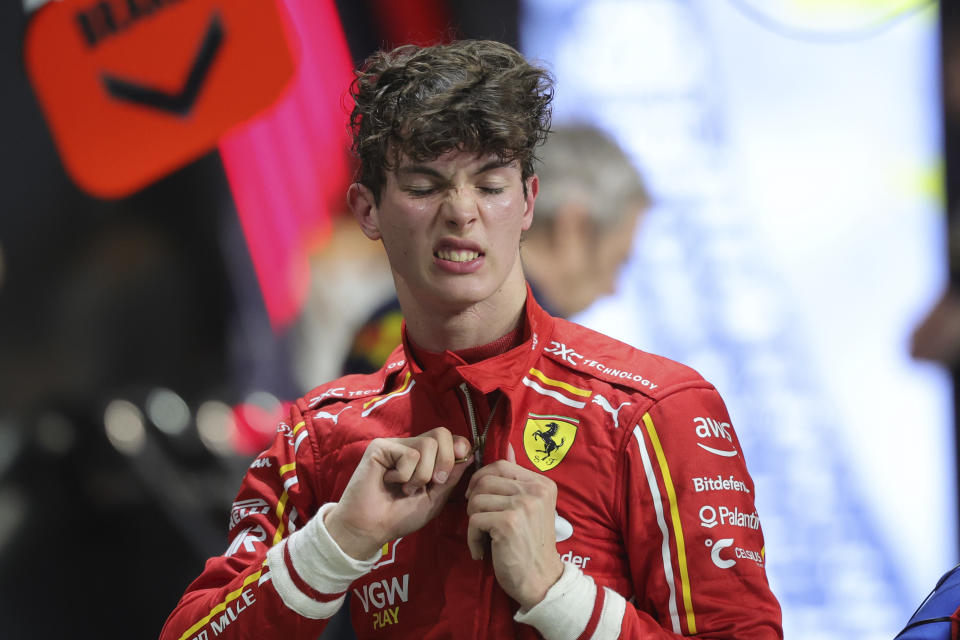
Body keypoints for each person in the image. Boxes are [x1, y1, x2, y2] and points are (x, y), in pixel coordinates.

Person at [160, 40, 782, 639]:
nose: (461, 211)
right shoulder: (318, 439)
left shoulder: (656, 412)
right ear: (367, 210)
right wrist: (339, 540)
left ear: (529, 201)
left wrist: (559, 596)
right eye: (425, 186)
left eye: (490, 185)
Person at [341, 124, 649, 375]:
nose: (613, 289)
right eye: (618, 261)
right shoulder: (535, 352)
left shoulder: (395, 313)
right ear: (573, 227)